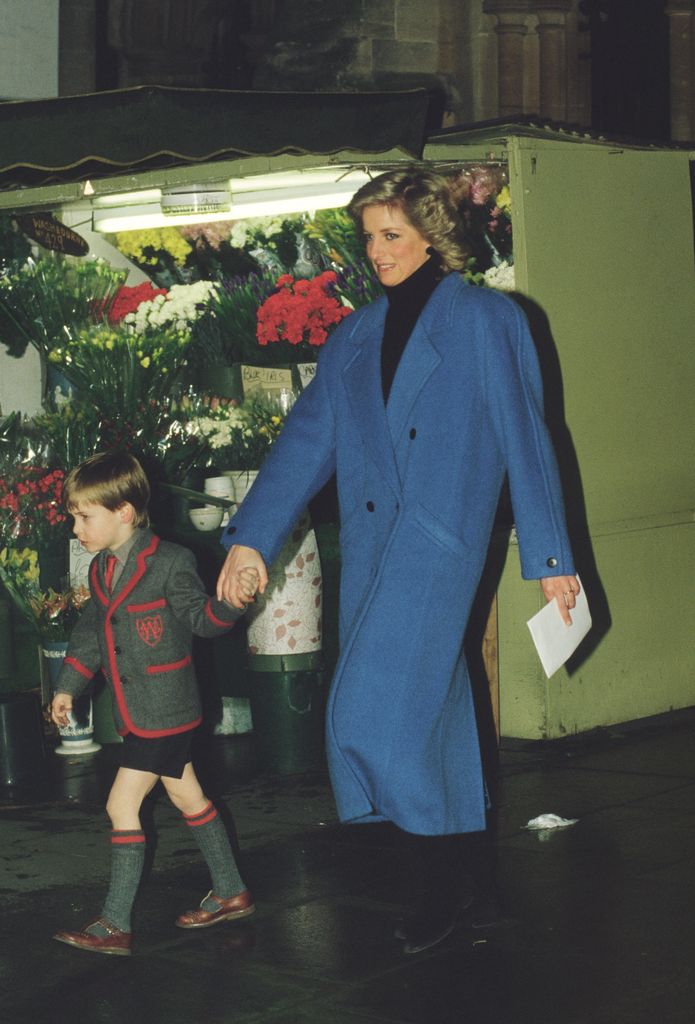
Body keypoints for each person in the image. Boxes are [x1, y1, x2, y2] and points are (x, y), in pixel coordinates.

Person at [216, 167, 580, 955]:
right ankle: (474, 887)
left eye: (391, 234)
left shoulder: (487, 319)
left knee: (371, 718)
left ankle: (435, 892)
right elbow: (304, 444)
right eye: (368, 237)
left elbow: (528, 434)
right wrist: (250, 538)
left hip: (441, 543)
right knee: (436, 717)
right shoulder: (352, 336)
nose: (375, 251)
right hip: (376, 548)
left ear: (431, 232)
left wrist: (552, 557)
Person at [50, 451, 259, 957]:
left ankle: (115, 924)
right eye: (74, 516)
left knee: (120, 804)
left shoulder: (170, 562)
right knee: (189, 799)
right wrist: (67, 686)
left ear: (123, 511)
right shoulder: (102, 569)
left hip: (166, 711)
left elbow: (202, 620)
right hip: (137, 710)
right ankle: (231, 892)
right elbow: (90, 634)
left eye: (84, 516)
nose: (76, 527)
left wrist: (231, 603)